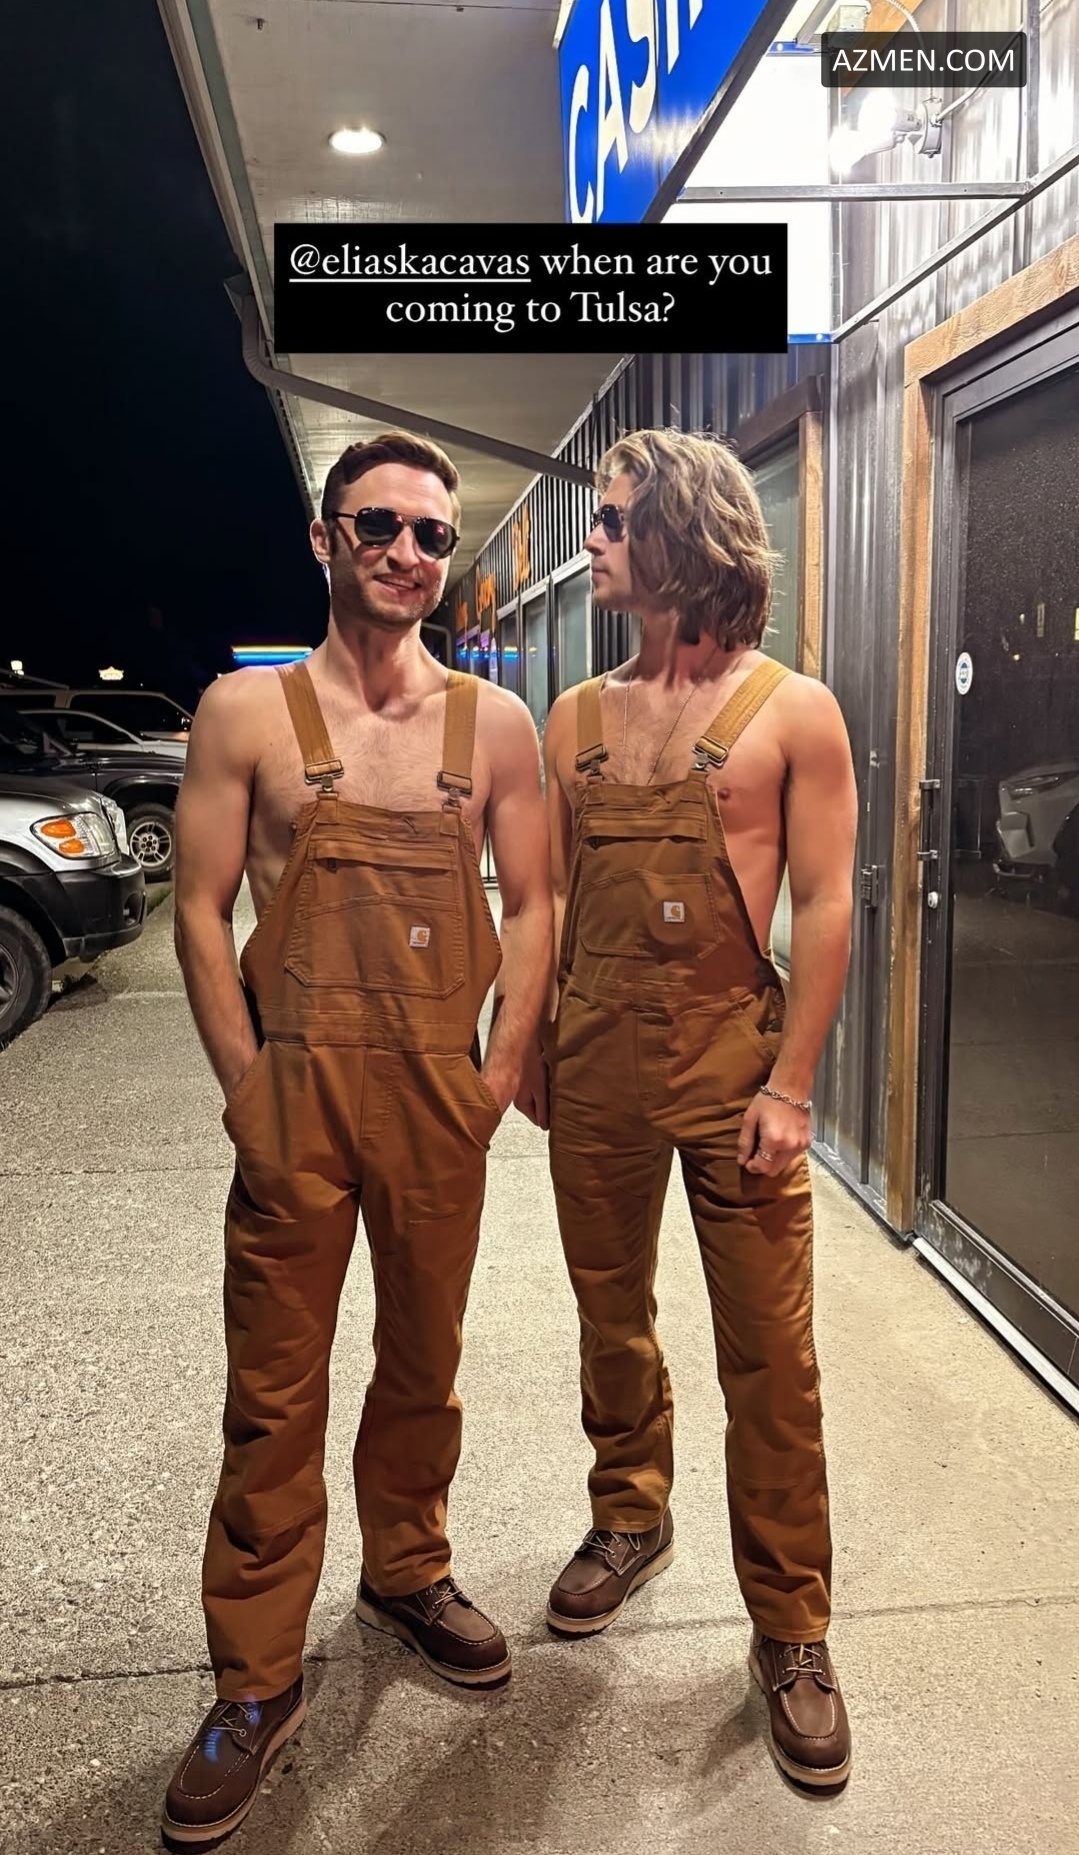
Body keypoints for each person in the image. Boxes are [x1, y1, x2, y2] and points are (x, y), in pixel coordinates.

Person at [164, 431, 551, 1849]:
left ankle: (406, 1571)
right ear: (326, 538)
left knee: (423, 1364)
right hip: (299, 1101)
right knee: (274, 1395)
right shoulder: (245, 716)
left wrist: (496, 1074)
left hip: (438, 1101)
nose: (406, 551)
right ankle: (255, 1679)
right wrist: (246, 1089)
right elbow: (198, 910)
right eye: (377, 525)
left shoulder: (493, 728)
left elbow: (536, 907)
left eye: (431, 535)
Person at [536, 428, 858, 1791]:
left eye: (613, 521)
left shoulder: (793, 711)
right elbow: (552, 899)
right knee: (609, 1312)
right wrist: (532, 1042)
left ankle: (791, 1625)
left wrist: (794, 1085)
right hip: (595, 1059)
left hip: (737, 1069)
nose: (593, 542)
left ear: (680, 533)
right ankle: (631, 1512)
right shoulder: (573, 718)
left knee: (770, 1356)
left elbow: (828, 903)